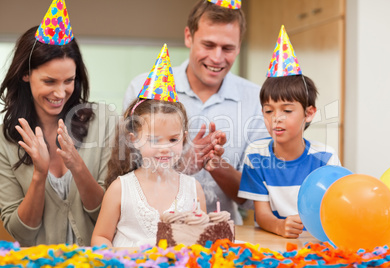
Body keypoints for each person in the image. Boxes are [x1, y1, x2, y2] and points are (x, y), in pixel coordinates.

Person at [123, 0, 266, 225]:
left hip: (220, 238)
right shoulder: (143, 89)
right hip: (151, 232)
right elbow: (125, 174)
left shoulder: (257, 100)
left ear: (239, 47)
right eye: (208, 45)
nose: (217, 58)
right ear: (189, 37)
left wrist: (217, 166)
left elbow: (255, 201)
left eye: (227, 48)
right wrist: (182, 164)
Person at [0, 2, 116, 247]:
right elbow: (21, 233)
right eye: (49, 81)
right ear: (26, 74)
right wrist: (39, 175)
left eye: (69, 80)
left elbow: (111, 216)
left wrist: (78, 166)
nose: (60, 92)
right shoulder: (5, 140)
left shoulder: (105, 121)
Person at [92, 44, 206, 246]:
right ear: (134, 138)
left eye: (173, 139)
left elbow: (202, 241)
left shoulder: (194, 190)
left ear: (184, 138)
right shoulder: (120, 189)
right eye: (154, 139)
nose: (165, 148)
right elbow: (101, 237)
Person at [238, 25, 341, 238]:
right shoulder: (256, 156)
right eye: (269, 110)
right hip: (273, 242)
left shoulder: (326, 158)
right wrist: (279, 226)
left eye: (287, 110)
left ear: (309, 113)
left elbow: (334, 210)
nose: (276, 117)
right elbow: (262, 214)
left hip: (317, 245)